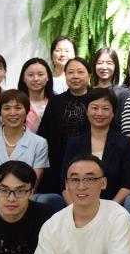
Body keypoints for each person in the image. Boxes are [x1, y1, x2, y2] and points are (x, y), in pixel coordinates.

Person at [62, 90, 130, 205]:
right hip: (77, 206)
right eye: (94, 108)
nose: (99, 113)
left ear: (113, 113)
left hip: (112, 206)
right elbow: (64, 182)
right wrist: (74, 207)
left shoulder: (124, 143)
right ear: (87, 111)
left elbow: (129, 183)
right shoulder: (74, 143)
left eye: (105, 108)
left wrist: (109, 208)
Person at [36, 57, 91, 196]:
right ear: (65, 76)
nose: (75, 76)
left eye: (80, 72)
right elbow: (44, 135)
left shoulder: (98, 100)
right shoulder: (55, 102)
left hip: (90, 161)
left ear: (89, 75)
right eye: (70, 72)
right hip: (58, 163)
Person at [17, 57, 54, 134]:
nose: (36, 79)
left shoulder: (56, 102)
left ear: (48, 77)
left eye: (40, 74)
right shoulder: (16, 103)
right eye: (30, 75)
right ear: (23, 78)